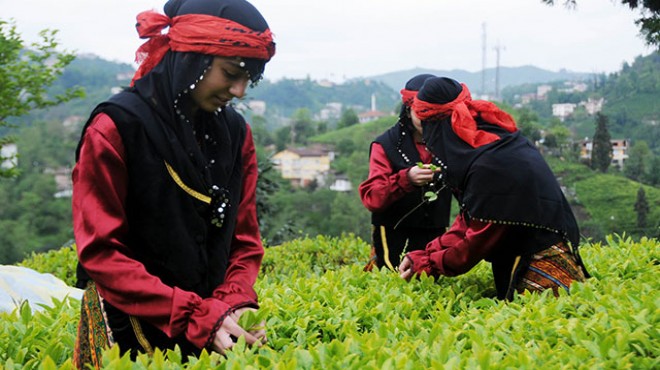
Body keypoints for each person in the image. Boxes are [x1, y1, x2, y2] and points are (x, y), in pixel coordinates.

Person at [71, 0, 275, 367]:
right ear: (192, 58)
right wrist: (195, 315)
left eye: (249, 79)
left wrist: (236, 301)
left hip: (211, 326)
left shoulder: (236, 133)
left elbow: (244, 239)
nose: (240, 91)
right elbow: (101, 253)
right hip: (127, 326)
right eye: (230, 73)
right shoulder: (116, 128)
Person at [399, 77, 589, 300]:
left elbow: (475, 241)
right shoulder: (492, 143)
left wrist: (429, 264)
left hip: (542, 274)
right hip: (521, 258)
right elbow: (471, 218)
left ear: (437, 126)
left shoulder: (489, 164)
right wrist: (425, 254)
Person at [359, 74, 452, 271]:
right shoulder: (385, 145)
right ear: (409, 110)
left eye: (435, 116)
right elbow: (373, 198)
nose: (429, 122)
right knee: (391, 278)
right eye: (423, 114)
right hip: (393, 232)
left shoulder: (449, 145)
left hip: (434, 232)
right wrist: (406, 178)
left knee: (430, 282)